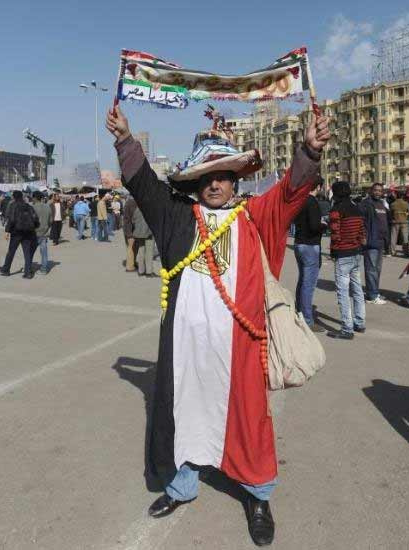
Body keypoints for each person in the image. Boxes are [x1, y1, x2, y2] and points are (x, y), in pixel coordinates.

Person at [106, 104, 330, 546]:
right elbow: (144, 184)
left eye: (223, 174)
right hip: (186, 344)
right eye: (207, 175)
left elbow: (290, 192)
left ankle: (258, 494)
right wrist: (125, 140)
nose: (214, 183)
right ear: (194, 181)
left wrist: (308, 149)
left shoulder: (254, 216)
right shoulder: (175, 216)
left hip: (241, 343)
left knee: (249, 420)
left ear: (235, 180)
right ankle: (183, 486)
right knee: (182, 412)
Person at [328, 182, 366, 340]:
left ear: (336, 193)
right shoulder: (356, 208)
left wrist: (333, 251)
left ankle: (347, 328)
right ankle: (360, 322)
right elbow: (362, 232)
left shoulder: (336, 210)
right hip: (356, 253)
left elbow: (335, 234)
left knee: (343, 291)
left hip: (343, 254)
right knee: (357, 289)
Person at [293, 177, 326, 332]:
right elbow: (314, 226)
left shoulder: (300, 201)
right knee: (308, 284)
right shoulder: (312, 202)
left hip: (299, 243)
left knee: (302, 281)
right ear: (318, 186)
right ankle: (307, 319)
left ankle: (299, 311)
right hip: (310, 245)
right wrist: (323, 226)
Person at [359, 183, 390, 304]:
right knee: (371, 269)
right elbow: (360, 222)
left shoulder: (382, 204)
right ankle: (372, 296)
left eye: (380, 191)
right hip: (371, 241)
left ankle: (374, 292)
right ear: (371, 191)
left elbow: (386, 222)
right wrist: (363, 236)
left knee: (377, 269)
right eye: (376, 190)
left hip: (381, 242)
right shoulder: (365, 204)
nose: (378, 192)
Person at [0, 191, 39, 278]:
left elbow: (11, 220)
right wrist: (33, 228)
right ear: (22, 197)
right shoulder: (28, 206)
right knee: (27, 252)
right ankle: (28, 273)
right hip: (27, 233)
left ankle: (6, 269)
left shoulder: (13, 205)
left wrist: (7, 231)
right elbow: (35, 219)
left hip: (16, 232)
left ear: (14, 197)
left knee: (11, 251)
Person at [132, 201, 158, 277]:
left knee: (141, 251)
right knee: (149, 252)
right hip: (149, 233)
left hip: (139, 233)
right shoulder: (152, 210)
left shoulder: (137, 209)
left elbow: (133, 220)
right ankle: (149, 272)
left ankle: (141, 271)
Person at [31, 191, 52, 274]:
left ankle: (28, 268)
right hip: (44, 233)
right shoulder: (48, 207)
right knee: (44, 252)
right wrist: (47, 227)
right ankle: (44, 269)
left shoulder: (32, 207)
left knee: (30, 251)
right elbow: (51, 220)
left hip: (34, 233)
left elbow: (30, 220)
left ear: (35, 198)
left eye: (33, 197)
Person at [390, 190, 409, 257]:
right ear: (402, 196)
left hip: (395, 222)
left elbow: (391, 213)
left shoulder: (393, 204)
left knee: (393, 237)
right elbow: (408, 213)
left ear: (397, 196)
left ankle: (393, 251)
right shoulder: (406, 203)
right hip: (404, 222)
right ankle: (406, 252)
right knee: (405, 237)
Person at [123, 196, 138, 272]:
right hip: (130, 230)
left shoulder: (132, 202)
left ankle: (133, 263)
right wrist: (129, 234)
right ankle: (129, 267)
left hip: (133, 230)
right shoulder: (130, 202)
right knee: (131, 248)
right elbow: (126, 219)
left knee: (134, 248)